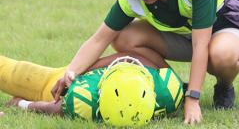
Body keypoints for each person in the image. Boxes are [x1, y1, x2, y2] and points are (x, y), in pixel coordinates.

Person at [53, 0, 239, 124]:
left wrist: (193, 99)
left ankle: (224, 87)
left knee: (220, 55)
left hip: (225, 28)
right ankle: (174, 86)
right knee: (122, 37)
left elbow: (200, 45)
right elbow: (99, 38)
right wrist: (71, 73)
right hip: (185, 36)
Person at [0, 53, 184, 126]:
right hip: (66, 78)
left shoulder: (85, 100)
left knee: (7, 70)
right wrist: (75, 71)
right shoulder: (168, 90)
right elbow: (129, 56)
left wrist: (22, 104)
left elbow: (54, 108)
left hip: (56, 85)